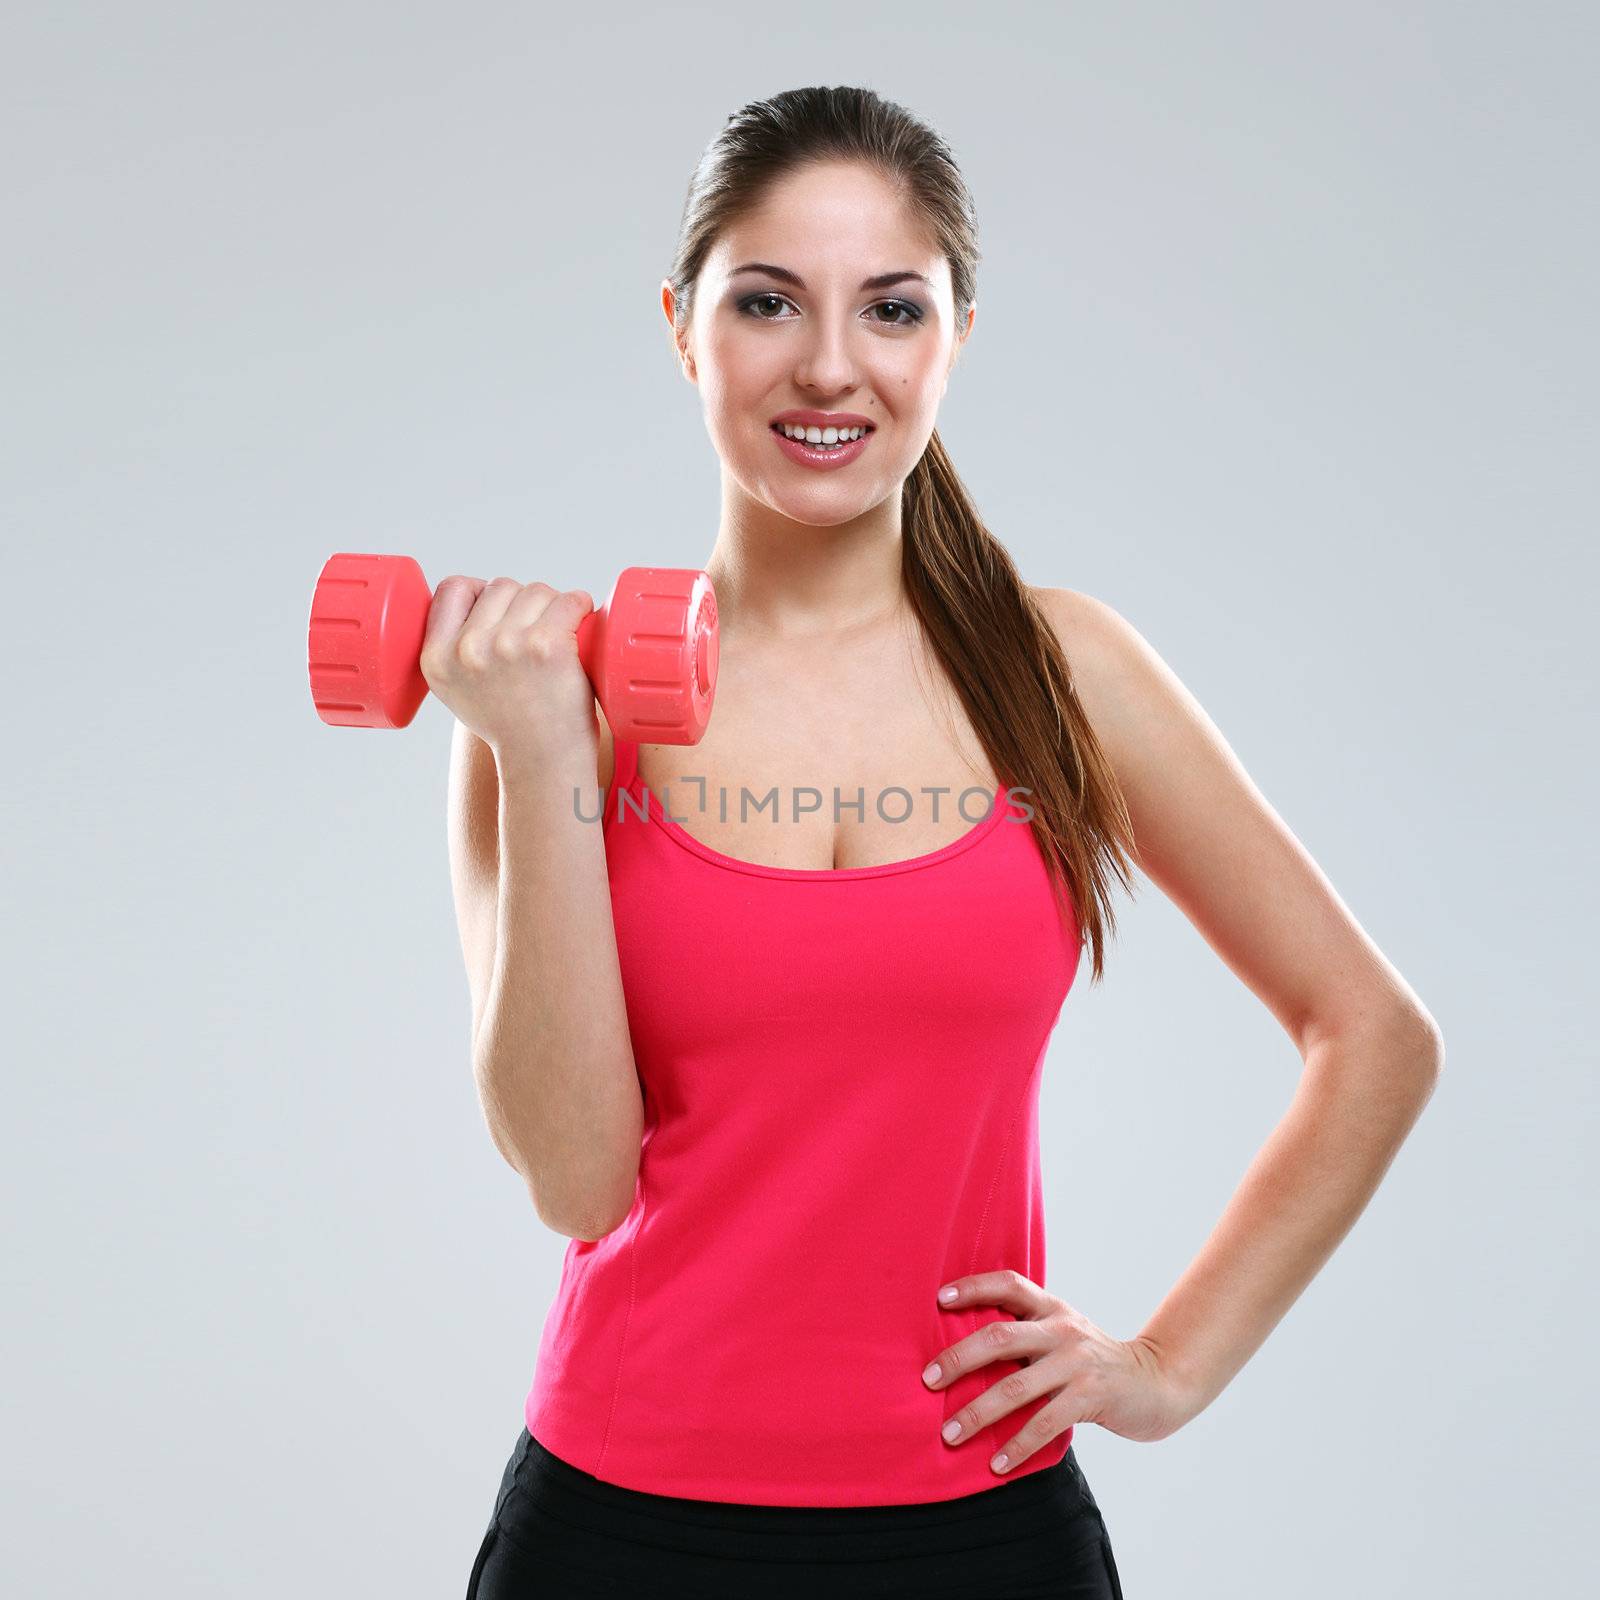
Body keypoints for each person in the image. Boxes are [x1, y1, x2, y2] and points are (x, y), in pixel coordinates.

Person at [424, 85, 1444, 1599]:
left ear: (956, 332)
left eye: (890, 308)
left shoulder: (1065, 675)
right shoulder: (542, 702)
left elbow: (1373, 1036)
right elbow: (578, 1183)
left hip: (985, 1530)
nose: (828, 364)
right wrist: (544, 753)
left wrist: (1165, 1367)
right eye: (766, 301)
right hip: (618, 1525)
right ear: (680, 324)